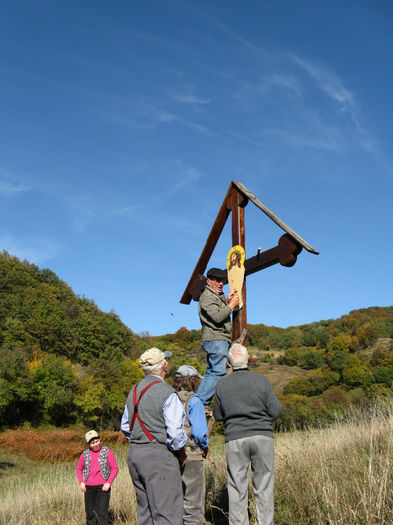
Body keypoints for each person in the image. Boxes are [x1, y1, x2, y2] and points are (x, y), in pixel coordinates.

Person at [213, 343, 282, 525]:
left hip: (235, 438)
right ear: (248, 359)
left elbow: (218, 416)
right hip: (262, 436)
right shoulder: (262, 381)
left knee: (236, 487)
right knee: (264, 486)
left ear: (229, 363)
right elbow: (276, 411)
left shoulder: (221, 385)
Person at [121, 347, 187, 525]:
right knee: (168, 514)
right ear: (164, 366)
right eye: (167, 361)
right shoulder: (167, 393)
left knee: (146, 513)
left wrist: (140, 441)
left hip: (135, 454)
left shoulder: (133, 391)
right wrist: (181, 454)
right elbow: (175, 435)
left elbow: (125, 426)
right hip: (159, 456)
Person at [197, 267, 240, 407]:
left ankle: (200, 403)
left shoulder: (214, 295)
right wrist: (231, 306)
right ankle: (200, 403)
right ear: (208, 281)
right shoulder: (207, 297)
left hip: (216, 340)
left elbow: (219, 310)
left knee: (211, 372)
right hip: (216, 340)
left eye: (222, 281)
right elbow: (217, 316)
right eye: (217, 280)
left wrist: (227, 302)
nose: (221, 283)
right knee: (218, 372)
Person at [174, 365, 210, 525]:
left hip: (172, 455)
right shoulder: (194, 400)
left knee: (176, 501)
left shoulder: (170, 398)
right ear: (192, 381)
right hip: (191, 454)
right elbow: (199, 433)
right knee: (193, 502)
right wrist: (205, 445)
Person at [76, 430, 119, 525]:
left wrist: (108, 483)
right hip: (89, 488)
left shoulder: (107, 452)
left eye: (97, 441)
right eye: (92, 443)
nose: (96, 444)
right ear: (88, 444)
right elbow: (79, 468)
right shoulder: (85, 454)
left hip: (103, 488)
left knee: (102, 514)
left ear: (99, 440)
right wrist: (81, 482)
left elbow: (115, 468)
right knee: (90, 514)